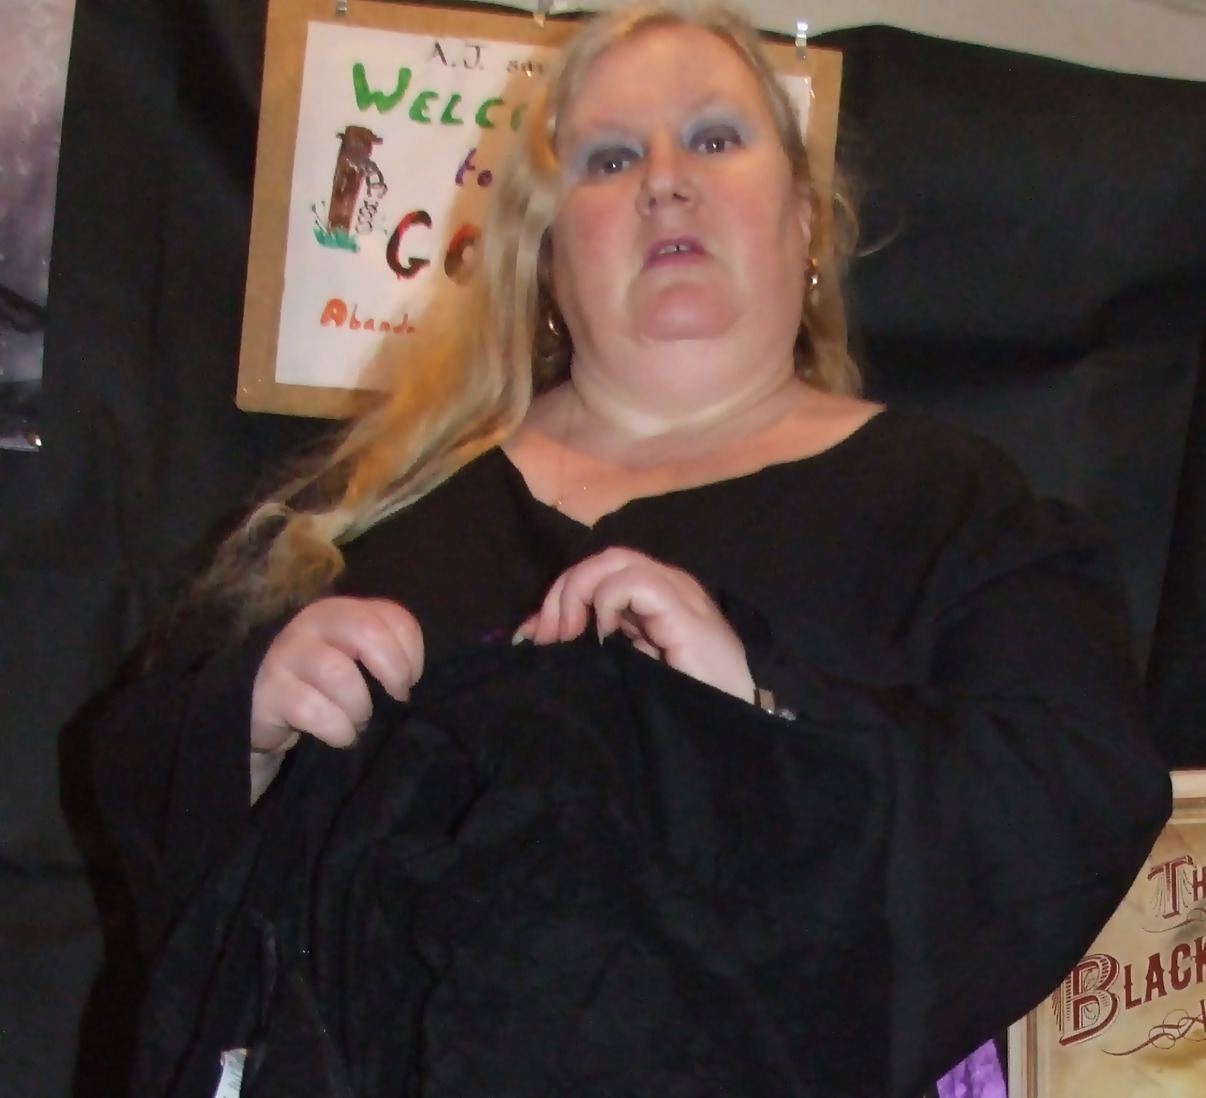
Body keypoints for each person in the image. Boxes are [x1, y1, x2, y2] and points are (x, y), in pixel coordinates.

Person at [93, 4, 1172, 1097]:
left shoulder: (949, 504)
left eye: (714, 138)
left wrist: (762, 713)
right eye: (609, 159)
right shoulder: (371, 520)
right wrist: (251, 727)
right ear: (546, 253)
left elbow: (1075, 788)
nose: (664, 181)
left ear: (805, 219)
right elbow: (153, 812)